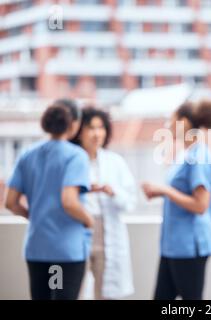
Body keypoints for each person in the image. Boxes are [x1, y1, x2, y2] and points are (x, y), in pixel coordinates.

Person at [5, 99, 93, 300]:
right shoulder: (76, 156)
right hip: (63, 251)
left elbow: (10, 202)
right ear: (73, 124)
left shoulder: (28, 155)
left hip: (37, 248)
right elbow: (69, 202)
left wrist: (33, 214)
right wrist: (89, 220)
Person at [142, 100, 211, 300]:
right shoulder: (184, 154)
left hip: (189, 246)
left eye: (172, 120)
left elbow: (200, 204)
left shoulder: (199, 155)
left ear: (184, 122)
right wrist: (161, 192)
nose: (168, 125)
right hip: (173, 245)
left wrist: (165, 190)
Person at [71, 107, 137, 299]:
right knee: (76, 290)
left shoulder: (115, 162)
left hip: (106, 231)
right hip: (79, 228)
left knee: (105, 291)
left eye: (101, 128)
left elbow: (130, 202)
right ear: (79, 131)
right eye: (90, 128)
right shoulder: (71, 160)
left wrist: (112, 191)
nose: (96, 133)